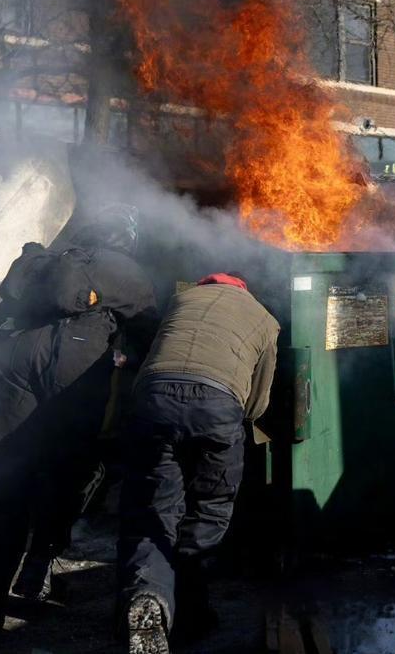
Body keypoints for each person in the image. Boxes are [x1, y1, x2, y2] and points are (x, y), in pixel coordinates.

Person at [0, 206, 159, 647]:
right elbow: (149, 335)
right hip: (77, 378)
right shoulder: (125, 271)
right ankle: (38, 567)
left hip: (13, 369)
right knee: (72, 475)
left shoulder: (46, 261)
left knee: (1, 482)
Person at [118, 273, 279, 653]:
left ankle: (149, 596)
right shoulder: (264, 318)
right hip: (218, 407)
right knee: (208, 513)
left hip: (153, 400)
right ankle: (191, 613)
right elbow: (257, 403)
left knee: (154, 509)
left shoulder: (182, 301)